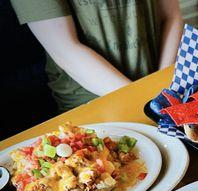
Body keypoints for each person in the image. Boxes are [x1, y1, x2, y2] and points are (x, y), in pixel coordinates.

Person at [10, 0, 183, 113]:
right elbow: (65, 50)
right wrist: (148, 103)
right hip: (92, 101)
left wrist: (162, 91)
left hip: (160, 86)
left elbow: (171, 17)